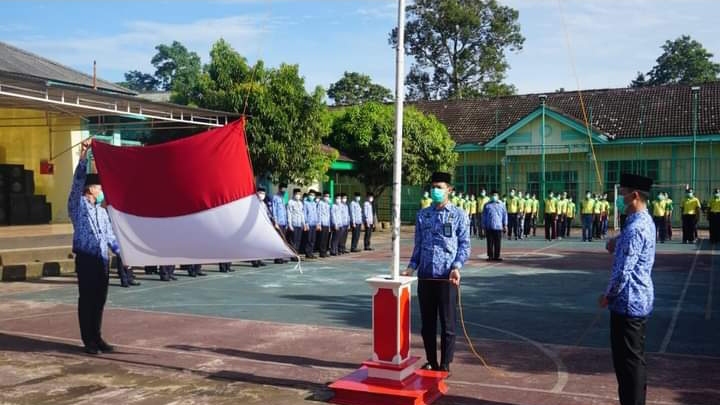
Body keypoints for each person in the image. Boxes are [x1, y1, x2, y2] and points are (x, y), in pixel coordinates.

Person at [401, 172, 470, 374]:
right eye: (433, 187)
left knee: (448, 325)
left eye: (439, 187)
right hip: (426, 276)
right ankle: (431, 360)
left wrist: (457, 266)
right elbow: (418, 245)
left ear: (449, 189)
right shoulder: (423, 215)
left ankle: (445, 363)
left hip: (447, 277)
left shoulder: (458, 215)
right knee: (427, 324)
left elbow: (465, 245)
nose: (435, 191)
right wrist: (411, 267)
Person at [600, 173, 655, 405]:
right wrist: (616, 241)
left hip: (628, 301)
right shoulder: (642, 221)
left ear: (634, 195)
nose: (620, 198)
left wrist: (607, 295)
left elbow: (623, 272)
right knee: (634, 361)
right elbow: (628, 241)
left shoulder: (635, 229)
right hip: (638, 299)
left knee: (628, 365)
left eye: (623, 194)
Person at [68, 140, 119, 354]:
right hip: (87, 258)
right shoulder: (77, 205)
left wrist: (124, 255)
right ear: (90, 189)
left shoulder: (101, 211)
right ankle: (87, 339)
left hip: (102, 260)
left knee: (100, 299)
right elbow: (77, 181)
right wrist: (84, 155)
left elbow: (110, 237)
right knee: (87, 298)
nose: (102, 191)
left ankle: (97, 337)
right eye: (99, 187)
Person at [483, 190, 507, 261]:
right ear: (490, 196)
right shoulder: (487, 205)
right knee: (489, 242)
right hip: (489, 226)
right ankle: (490, 256)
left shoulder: (501, 204)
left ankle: (497, 256)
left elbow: (505, 215)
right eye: (493, 195)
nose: (494, 197)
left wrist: (505, 224)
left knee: (497, 242)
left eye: (495, 195)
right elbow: (484, 216)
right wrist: (483, 225)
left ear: (498, 196)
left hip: (498, 226)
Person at [287, 188, 307, 255]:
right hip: (294, 224)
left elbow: (302, 214)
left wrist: (304, 224)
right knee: (293, 240)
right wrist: (290, 225)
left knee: (298, 240)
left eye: (299, 194)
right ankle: (293, 254)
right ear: (294, 194)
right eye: (297, 194)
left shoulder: (300, 203)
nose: (298, 195)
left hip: (300, 224)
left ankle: (296, 253)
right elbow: (289, 213)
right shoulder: (290, 202)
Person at [304, 189, 319, 259]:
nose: (312, 196)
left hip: (314, 223)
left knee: (313, 239)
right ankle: (308, 253)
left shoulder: (314, 203)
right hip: (309, 223)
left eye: (313, 195)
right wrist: (306, 223)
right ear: (308, 195)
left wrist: (317, 223)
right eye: (311, 195)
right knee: (309, 239)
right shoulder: (306, 203)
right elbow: (305, 214)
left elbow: (316, 214)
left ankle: (311, 252)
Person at [317, 191, 331, 257]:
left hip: (327, 223)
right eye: (326, 196)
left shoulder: (328, 204)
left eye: (328, 196)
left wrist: (329, 225)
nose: (327, 198)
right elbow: (319, 213)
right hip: (322, 223)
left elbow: (329, 215)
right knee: (322, 239)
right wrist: (319, 223)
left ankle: (324, 251)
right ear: (323, 197)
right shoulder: (320, 203)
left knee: (326, 238)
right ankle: (322, 252)